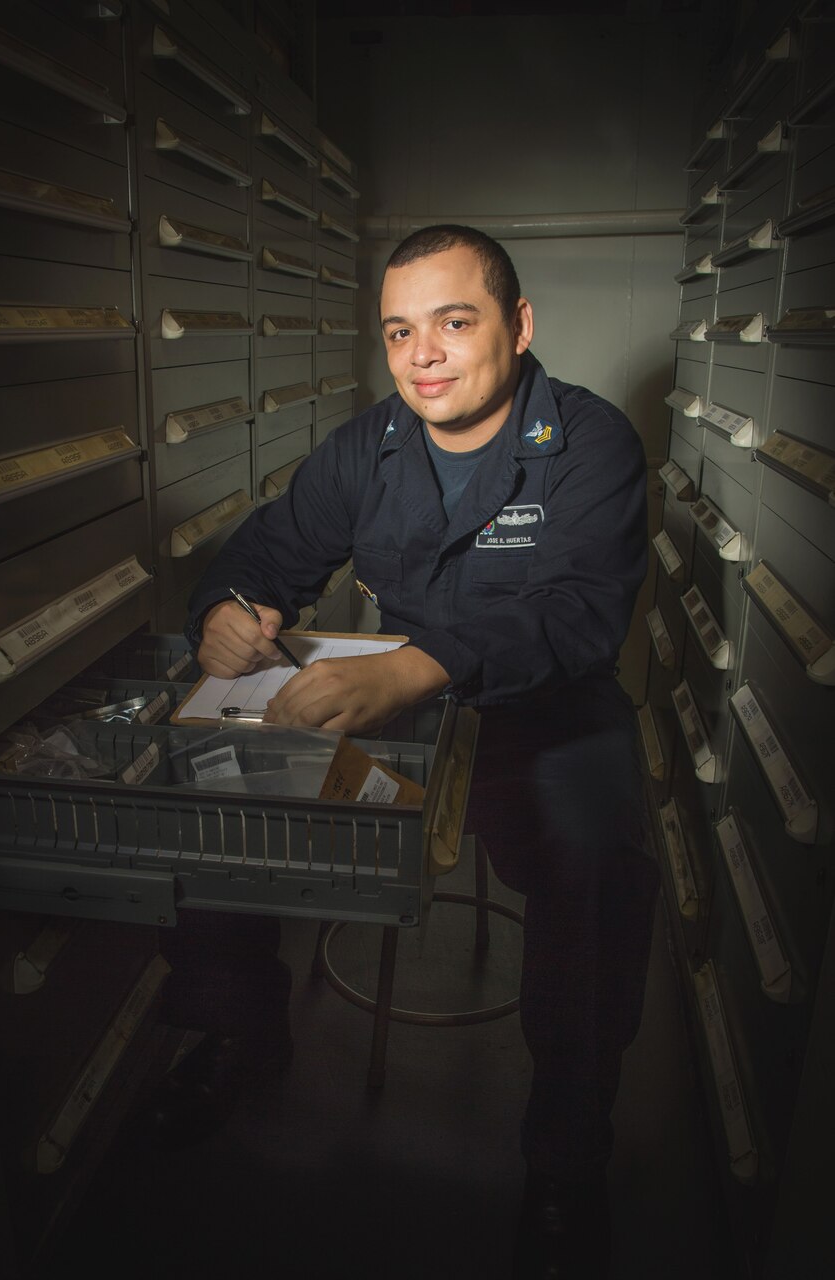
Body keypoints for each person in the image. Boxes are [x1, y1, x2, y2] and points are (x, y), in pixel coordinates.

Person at [185, 225, 659, 1277]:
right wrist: (228, 608)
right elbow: (267, 548)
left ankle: (564, 1159)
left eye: (453, 321)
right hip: (400, 702)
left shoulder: (587, 440)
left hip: (549, 712)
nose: (423, 354)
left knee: (598, 862)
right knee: (218, 788)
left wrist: (416, 665)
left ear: (518, 325)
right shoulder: (368, 445)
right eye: (400, 330)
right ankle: (233, 1030)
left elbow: (579, 614)